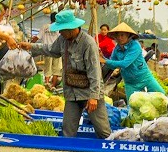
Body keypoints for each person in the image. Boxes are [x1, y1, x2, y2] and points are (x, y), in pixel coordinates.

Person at [20, 10, 111, 138]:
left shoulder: (88, 43)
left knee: (103, 131)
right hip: (72, 92)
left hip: (89, 92)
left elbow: (95, 72)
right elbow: (50, 49)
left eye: (61, 30)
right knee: (68, 131)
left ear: (71, 28)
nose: (60, 32)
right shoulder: (63, 39)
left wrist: (94, 97)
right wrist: (31, 46)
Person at [99, 22, 167, 103]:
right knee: (132, 107)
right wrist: (102, 57)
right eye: (118, 35)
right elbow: (112, 65)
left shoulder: (135, 46)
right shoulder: (117, 49)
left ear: (128, 36)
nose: (120, 38)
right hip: (130, 83)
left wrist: (105, 61)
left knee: (162, 98)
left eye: (122, 35)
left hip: (144, 79)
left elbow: (125, 64)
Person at [38, 12, 62, 87]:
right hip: (57, 50)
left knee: (47, 68)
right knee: (56, 69)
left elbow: (38, 37)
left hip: (47, 50)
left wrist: (30, 44)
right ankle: (53, 86)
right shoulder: (59, 27)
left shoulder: (45, 26)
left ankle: (47, 84)